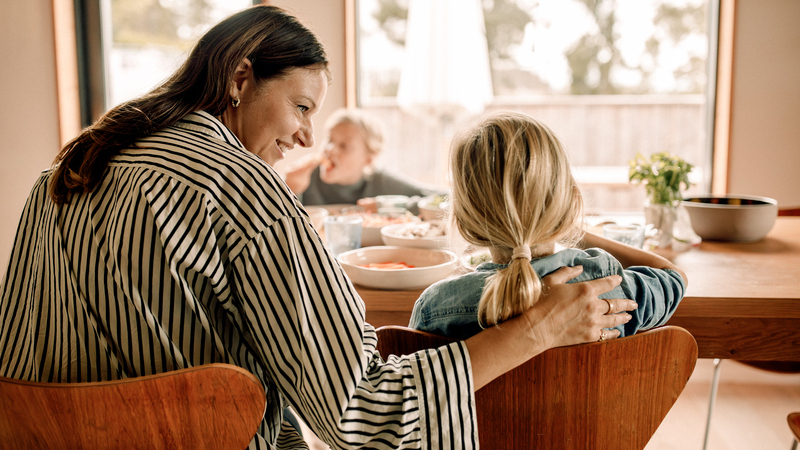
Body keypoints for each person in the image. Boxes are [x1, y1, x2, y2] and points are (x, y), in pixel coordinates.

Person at [0, 6, 636, 450]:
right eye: (302, 105)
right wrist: (540, 327)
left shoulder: (66, 171)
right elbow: (362, 417)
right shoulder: (247, 194)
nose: (307, 134)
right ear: (240, 77)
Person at [409, 111, 688, 340]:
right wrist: (575, 231)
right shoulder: (606, 283)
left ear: (463, 217)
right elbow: (673, 277)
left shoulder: (436, 307)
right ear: (569, 202)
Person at [282, 107, 445, 207]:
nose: (330, 149)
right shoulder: (305, 177)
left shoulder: (381, 182)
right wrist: (289, 191)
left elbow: (448, 199)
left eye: (344, 146)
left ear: (369, 159)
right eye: (330, 140)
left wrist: (388, 206)